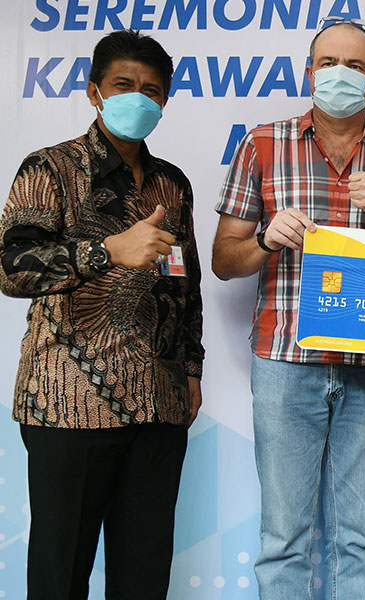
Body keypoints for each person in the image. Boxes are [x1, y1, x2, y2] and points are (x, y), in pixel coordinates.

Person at [211, 18, 365, 600]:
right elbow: (223, 261)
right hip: (285, 360)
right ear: (309, 73)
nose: (341, 74)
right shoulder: (263, 144)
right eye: (329, 63)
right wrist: (265, 240)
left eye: (355, 66)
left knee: (358, 535)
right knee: (283, 535)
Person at [0, 30, 203, 599]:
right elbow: (11, 269)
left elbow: (186, 288)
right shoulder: (49, 168)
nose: (137, 97)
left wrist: (191, 369)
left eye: (151, 90)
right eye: (123, 85)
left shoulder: (172, 184)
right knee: (60, 575)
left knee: (144, 579)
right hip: (69, 405)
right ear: (94, 92)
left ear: (164, 100)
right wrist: (106, 251)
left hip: (158, 404)